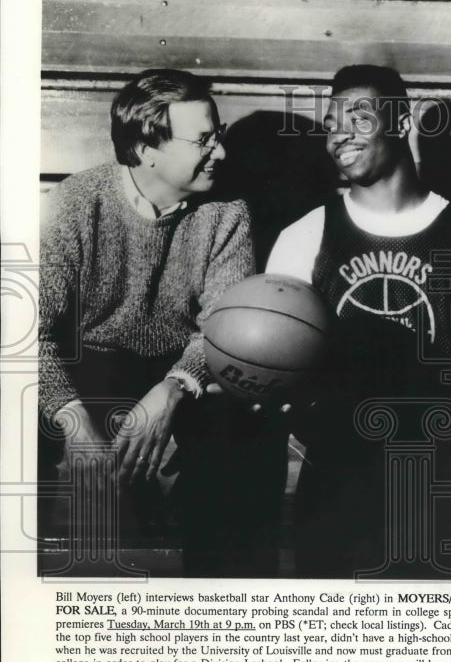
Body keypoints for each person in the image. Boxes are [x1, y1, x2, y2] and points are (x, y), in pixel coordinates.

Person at [38, 68, 289, 577]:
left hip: (179, 370)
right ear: (147, 148)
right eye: (204, 140)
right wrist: (71, 418)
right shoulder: (75, 203)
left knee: (246, 432)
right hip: (90, 369)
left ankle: (221, 607)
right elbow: (25, 330)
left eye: (218, 135)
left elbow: (224, 328)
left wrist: (175, 386)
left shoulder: (226, 212)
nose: (220, 151)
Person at [267, 64, 451, 579]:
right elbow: (276, 371)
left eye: (359, 117)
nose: (339, 135)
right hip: (339, 490)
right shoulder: (304, 235)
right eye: (330, 123)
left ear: (399, 121)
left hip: (442, 490)